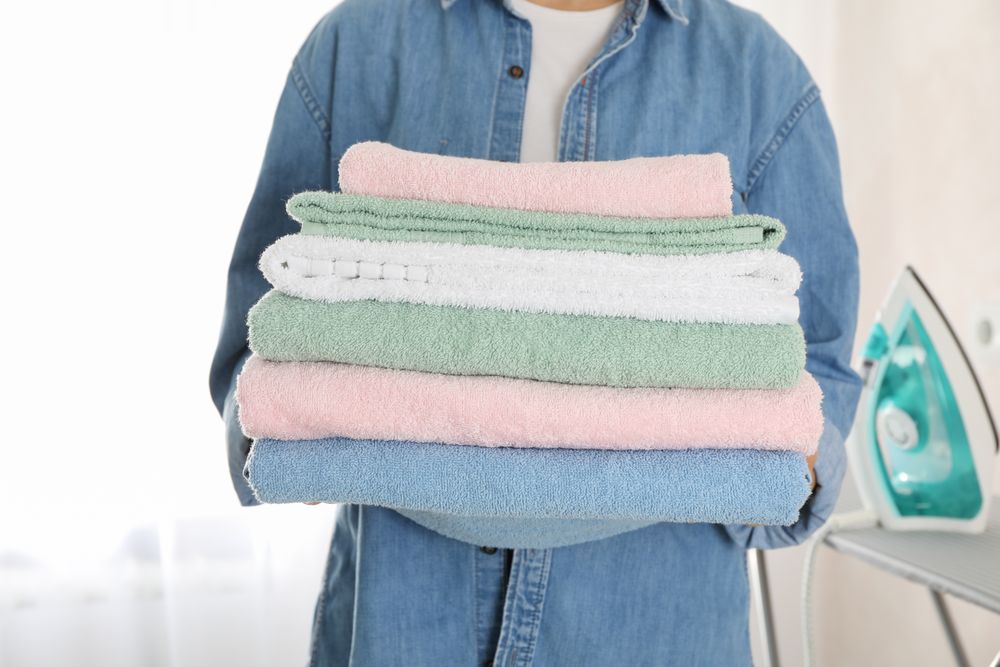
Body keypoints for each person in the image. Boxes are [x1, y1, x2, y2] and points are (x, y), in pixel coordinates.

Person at [209, 0, 862, 663]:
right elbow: (264, 345)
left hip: (659, 636)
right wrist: (311, 425)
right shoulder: (359, 46)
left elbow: (819, 374)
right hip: (403, 633)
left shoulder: (756, 72)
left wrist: (769, 449)